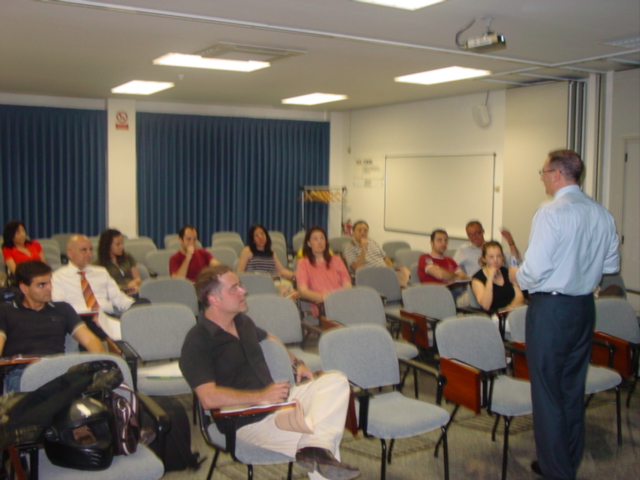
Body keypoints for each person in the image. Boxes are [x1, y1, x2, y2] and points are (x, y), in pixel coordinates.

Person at [179, 265, 359, 480]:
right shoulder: (197, 341)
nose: (243, 291)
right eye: (234, 288)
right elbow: (208, 398)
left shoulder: (242, 322)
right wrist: (261, 396)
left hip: (278, 402)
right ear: (214, 299)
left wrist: (297, 363)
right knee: (322, 435)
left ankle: (314, 448)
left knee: (337, 380)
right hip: (245, 421)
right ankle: (316, 448)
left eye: (240, 286)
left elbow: (270, 338)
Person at [511, 150, 619, 480]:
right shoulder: (602, 213)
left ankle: (557, 471)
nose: (541, 177)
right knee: (572, 389)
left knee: (547, 393)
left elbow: (535, 270)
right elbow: (611, 266)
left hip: (552, 311)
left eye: (542, 171)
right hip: (584, 308)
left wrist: (518, 275)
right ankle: (566, 461)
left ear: (557, 174)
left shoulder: (551, 212)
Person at [0, 261, 105, 392]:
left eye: (49, 282)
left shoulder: (63, 309)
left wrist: (103, 366)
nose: (49, 288)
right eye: (41, 285)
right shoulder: (5, 311)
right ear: (24, 289)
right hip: (22, 373)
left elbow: (89, 340)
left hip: (57, 369)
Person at [52, 234, 143, 340]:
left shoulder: (101, 272)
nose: (89, 254)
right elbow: (61, 309)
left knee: (143, 306)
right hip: (81, 320)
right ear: (70, 253)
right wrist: (92, 314)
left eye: (90, 250)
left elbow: (119, 298)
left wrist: (135, 308)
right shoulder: (58, 277)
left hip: (107, 317)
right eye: (83, 250)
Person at [296, 227, 352, 316]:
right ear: (309, 243)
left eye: (322, 238)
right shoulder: (303, 263)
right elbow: (303, 291)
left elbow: (347, 284)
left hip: (341, 300)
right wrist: (323, 297)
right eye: (315, 239)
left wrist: (341, 296)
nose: (320, 241)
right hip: (322, 305)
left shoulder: (336, 260)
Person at [343, 220, 410, 287]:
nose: (363, 233)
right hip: (371, 274)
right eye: (360, 230)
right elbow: (357, 267)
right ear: (354, 232)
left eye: (365, 231)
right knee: (398, 278)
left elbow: (385, 258)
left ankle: (401, 286)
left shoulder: (372, 242)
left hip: (384, 270)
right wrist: (363, 248)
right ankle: (397, 286)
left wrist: (392, 268)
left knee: (402, 268)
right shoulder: (349, 248)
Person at [471, 241, 524, 314]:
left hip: (511, 312)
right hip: (493, 317)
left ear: (503, 258)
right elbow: (486, 306)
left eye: (499, 256)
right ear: (484, 259)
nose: (496, 260)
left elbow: (519, 297)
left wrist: (509, 309)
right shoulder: (477, 279)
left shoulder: (507, 272)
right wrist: (490, 279)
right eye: (491, 257)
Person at [454, 220, 520, 277]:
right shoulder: (464, 250)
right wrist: (462, 275)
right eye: (470, 235)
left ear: (483, 231)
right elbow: (452, 266)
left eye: (477, 233)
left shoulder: (492, 247)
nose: (474, 237)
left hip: (499, 280)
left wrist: (510, 242)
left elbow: (515, 261)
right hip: (478, 282)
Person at [96, 229, 142, 294]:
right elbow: (103, 287)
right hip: (116, 294)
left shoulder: (127, 257)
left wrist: (135, 282)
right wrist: (126, 287)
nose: (121, 247)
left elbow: (138, 279)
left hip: (133, 291)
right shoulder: (99, 265)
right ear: (108, 246)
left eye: (122, 243)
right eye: (117, 244)